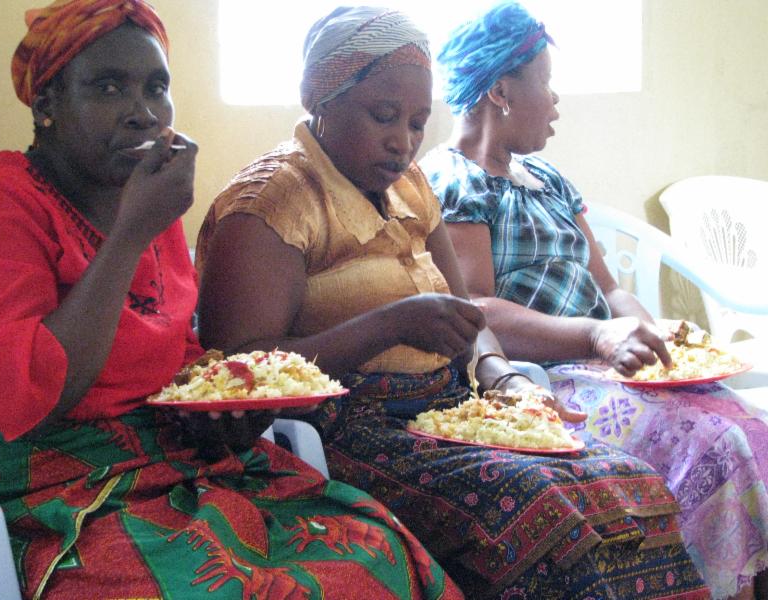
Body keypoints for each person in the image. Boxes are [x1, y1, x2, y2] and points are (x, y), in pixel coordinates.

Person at [195, 6, 710, 599]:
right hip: (352, 427)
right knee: (541, 511)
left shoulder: (408, 184)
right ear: (322, 98)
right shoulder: (271, 203)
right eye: (383, 116)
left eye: (417, 122)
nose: (403, 142)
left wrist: (502, 377)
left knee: (627, 484)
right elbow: (236, 369)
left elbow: (466, 313)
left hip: (452, 406)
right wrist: (389, 326)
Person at [0, 2, 466, 599]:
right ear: (45, 104)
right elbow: (31, 396)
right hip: (56, 480)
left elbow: (184, 365)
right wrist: (130, 233)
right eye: (108, 87)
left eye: (157, 87)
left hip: (179, 460)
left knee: (376, 553)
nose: (143, 113)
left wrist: (229, 412)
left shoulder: (147, 207)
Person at [419, 3, 768, 599]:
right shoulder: (453, 182)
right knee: (715, 441)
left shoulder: (547, 179)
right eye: (547, 84)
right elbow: (475, 306)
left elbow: (610, 287)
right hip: (544, 373)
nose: (556, 101)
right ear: (501, 90)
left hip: (605, 357)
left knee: (749, 424)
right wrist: (597, 336)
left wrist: (648, 333)